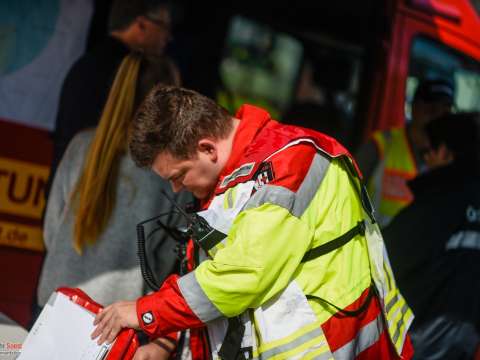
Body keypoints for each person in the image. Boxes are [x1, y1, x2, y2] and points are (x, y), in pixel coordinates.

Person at [90, 86, 414, 359]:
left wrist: (147, 313)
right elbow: (206, 272)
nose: (176, 188)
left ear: (207, 148)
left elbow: (242, 273)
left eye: (178, 175)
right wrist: (168, 338)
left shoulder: (290, 164)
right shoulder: (232, 175)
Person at [38, 56, 191, 359]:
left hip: (54, 306)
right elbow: (166, 263)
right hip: (118, 323)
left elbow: (50, 231)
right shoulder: (168, 170)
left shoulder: (81, 145)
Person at [47, 0, 173, 199]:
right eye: (163, 27)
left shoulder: (85, 63)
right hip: (95, 196)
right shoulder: (131, 73)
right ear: (141, 24)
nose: (168, 37)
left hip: (67, 193)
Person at [383, 112, 480, 359]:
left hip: (419, 342)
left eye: (428, 152)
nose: (425, 160)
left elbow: (384, 260)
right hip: (465, 344)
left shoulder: (436, 202)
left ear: (446, 152)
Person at [355, 78, 454, 227]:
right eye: (431, 110)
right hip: (372, 245)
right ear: (414, 108)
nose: (437, 118)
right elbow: (348, 194)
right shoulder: (381, 145)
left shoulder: (448, 160)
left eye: (444, 112)